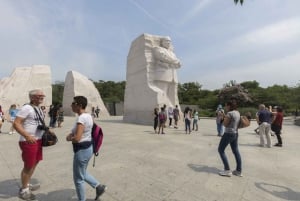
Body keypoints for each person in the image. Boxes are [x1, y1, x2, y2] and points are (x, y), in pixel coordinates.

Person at [13, 89, 53, 200]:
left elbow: (38, 123)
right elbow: (16, 123)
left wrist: (48, 130)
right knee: (28, 166)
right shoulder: (26, 108)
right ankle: (24, 190)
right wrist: (27, 136)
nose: (42, 96)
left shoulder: (38, 108)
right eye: (39, 95)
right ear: (32, 97)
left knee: (35, 163)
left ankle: (27, 183)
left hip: (38, 140)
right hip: (28, 141)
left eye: (42, 95)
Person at [66, 96, 106, 201]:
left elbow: (77, 138)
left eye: (73, 103)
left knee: (78, 179)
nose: (71, 105)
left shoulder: (81, 118)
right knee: (82, 172)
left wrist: (69, 138)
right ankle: (98, 186)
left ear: (79, 105)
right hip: (88, 148)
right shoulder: (88, 116)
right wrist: (72, 134)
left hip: (82, 150)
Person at [152, 37, 181, 106]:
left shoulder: (172, 53)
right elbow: (163, 56)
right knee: (162, 94)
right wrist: (175, 61)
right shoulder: (158, 49)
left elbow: (179, 65)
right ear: (162, 42)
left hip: (173, 76)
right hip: (163, 75)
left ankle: (173, 109)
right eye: (167, 41)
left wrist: (173, 62)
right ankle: (163, 108)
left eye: (169, 41)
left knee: (173, 96)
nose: (168, 43)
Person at [218, 99, 242, 177]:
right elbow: (232, 122)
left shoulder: (229, 113)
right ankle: (238, 170)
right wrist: (225, 117)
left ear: (229, 106)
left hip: (228, 133)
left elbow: (225, 124)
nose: (225, 107)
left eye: (226, 105)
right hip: (235, 133)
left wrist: (222, 117)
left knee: (221, 150)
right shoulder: (237, 112)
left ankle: (227, 170)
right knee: (236, 151)